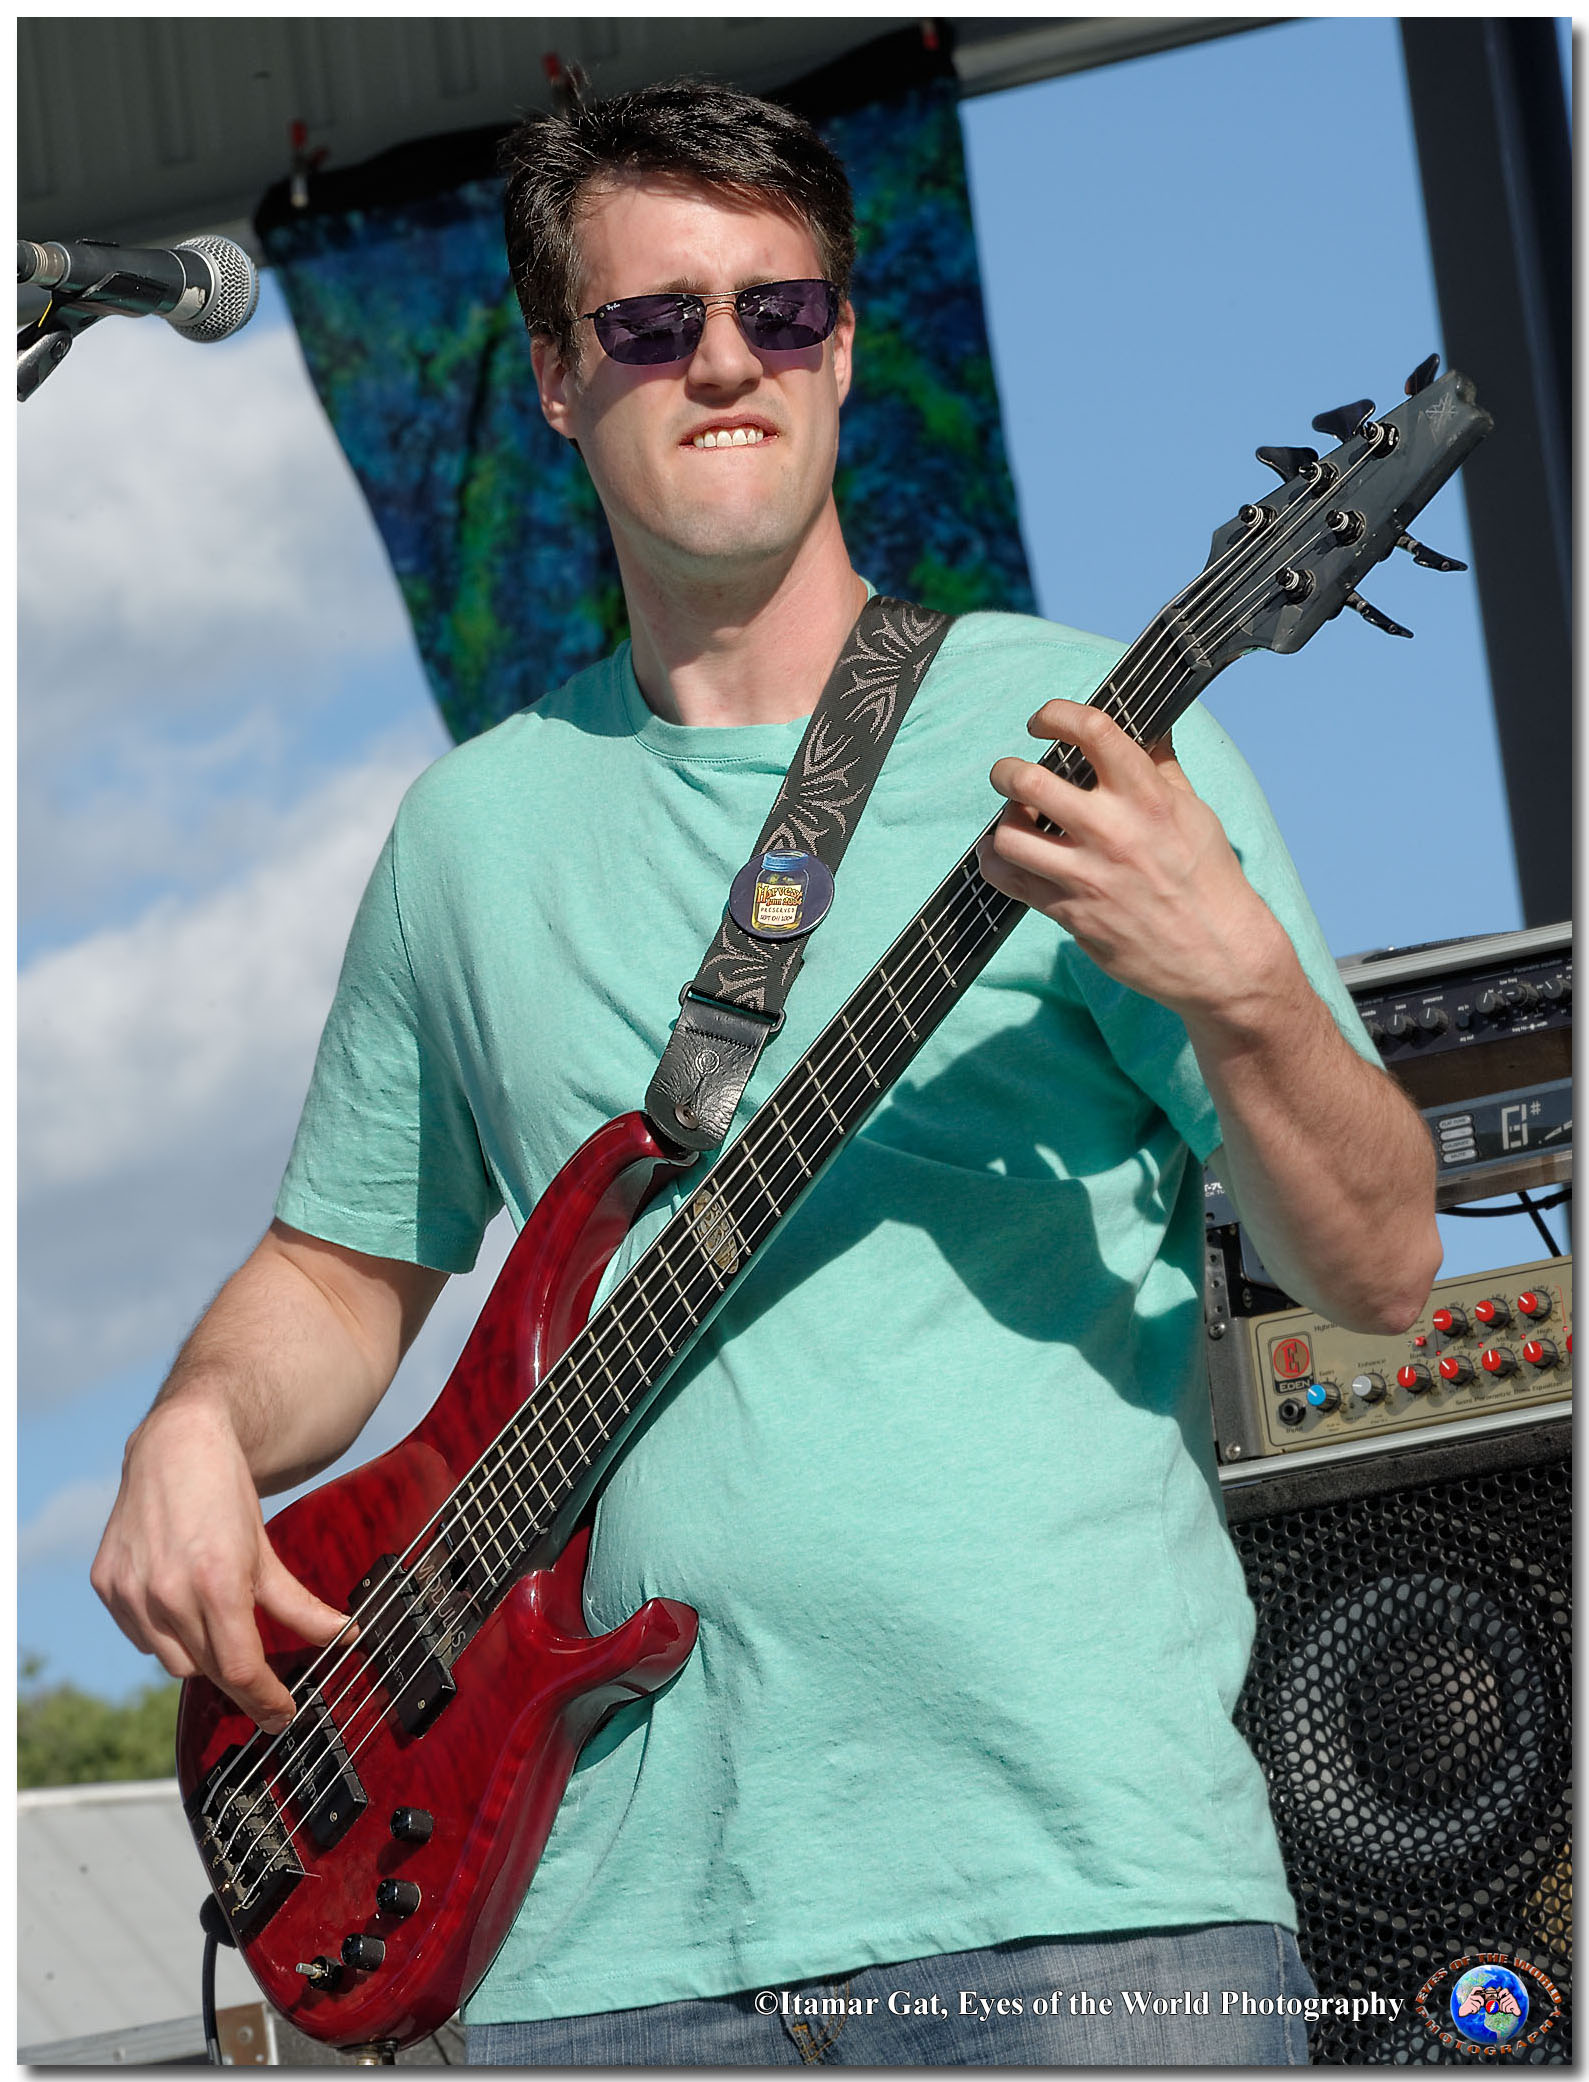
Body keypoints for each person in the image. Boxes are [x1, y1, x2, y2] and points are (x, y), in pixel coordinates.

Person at [92, 81, 1440, 2066]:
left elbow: (1383, 1269)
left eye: (777, 310)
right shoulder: (470, 834)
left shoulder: (1087, 746)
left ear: (843, 350)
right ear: (557, 380)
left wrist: (1242, 989)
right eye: (653, 323)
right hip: (599, 1961)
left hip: (1077, 1907)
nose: (724, 361)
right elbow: (339, 1272)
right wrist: (196, 1422)